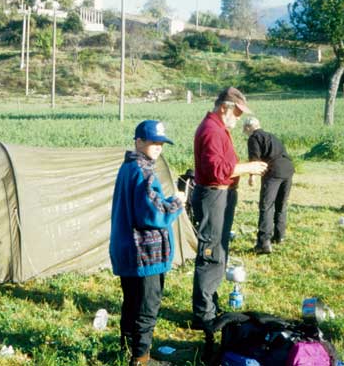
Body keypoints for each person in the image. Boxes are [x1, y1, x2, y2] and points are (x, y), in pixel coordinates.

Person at [191, 87, 268, 356]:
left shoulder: (218, 128)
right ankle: (204, 315)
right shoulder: (212, 130)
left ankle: (209, 305)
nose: (238, 118)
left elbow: (223, 165)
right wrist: (249, 167)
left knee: (219, 251)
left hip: (220, 195)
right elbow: (217, 170)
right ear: (225, 107)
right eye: (237, 112)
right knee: (212, 252)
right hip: (214, 196)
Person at [110, 120, 186, 366]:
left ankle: (126, 351)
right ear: (138, 141)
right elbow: (154, 214)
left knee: (131, 301)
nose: (158, 147)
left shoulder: (128, 166)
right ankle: (141, 359)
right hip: (145, 253)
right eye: (153, 141)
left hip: (128, 250)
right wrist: (177, 202)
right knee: (146, 306)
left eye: (161, 143)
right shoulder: (143, 171)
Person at [243, 117, 294, 254]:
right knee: (281, 204)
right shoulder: (271, 135)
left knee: (266, 206)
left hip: (274, 172)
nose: (244, 132)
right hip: (288, 169)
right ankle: (279, 236)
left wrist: (252, 177)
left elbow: (255, 159)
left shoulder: (254, 138)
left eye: (244, 129)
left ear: (249, 127)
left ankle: (263, 243)